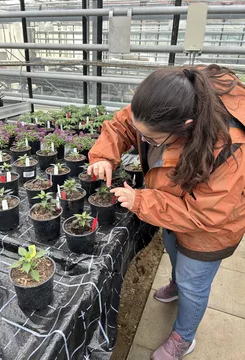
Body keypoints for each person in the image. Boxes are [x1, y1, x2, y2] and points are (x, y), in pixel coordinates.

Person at [87, 64, 245, 360]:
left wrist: (141, 201)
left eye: (151, 139)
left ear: (185, 126)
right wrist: (104, 156)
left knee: (194, 284)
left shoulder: (229, 147)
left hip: (211, 230)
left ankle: (184, 338)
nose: (142, 141)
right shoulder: (168, 98)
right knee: (173, 248)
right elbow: (122, 124)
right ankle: (176, 283)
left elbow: (206, 215)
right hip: (176, 210)